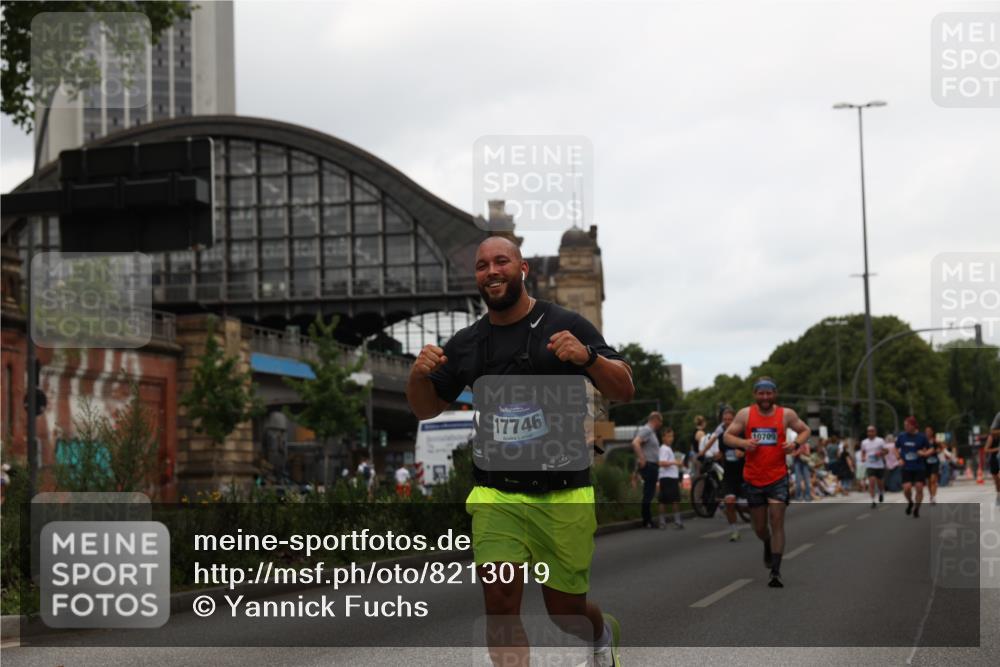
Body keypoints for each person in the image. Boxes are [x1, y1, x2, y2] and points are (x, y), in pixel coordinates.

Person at [405, 236, 633, 667]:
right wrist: (418, 375)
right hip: (497, 493)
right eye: (482, 265)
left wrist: (587, 358)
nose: (491, 271)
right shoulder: (467, 343)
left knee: (566, 613)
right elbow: (425, 408)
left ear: (522, 269)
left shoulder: (564, 323)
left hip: (563, 492)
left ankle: (601, 636)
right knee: (500, 606)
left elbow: (622, 387)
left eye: (501, 261)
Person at [724, 377, 811, 589]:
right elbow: (727, 437)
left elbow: (805, 430)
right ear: (755, 394)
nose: (765, 397)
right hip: (753, 478)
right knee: (760, 527)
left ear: (775, 394)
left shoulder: (786, 414)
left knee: (777, 520)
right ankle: (766, 541)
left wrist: (795, 444)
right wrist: (744, 443)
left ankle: (776, 571)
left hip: (778, 477)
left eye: (769, 393)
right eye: (761, 393)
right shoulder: (745, 414)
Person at [711, 406, 745, 540]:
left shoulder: (742, 434)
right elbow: (723, 453)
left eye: (730, 419)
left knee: (747, 506)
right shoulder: (721, 437)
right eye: (725, 419)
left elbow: (754, 451)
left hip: (744, 474)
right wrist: (719, 455)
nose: (727, 422)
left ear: (735, 420)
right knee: (729, 503)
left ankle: (760, 520)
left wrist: (743, 453)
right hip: (729, 475)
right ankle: (735, 531)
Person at [897, 417, 935, 518]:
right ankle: (910, 502)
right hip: (906, 467)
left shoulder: (921, 437)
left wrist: (925, 453)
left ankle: (917, 508)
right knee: (907, 488)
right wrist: (899, 458)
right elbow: (895, 448)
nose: (905, 427)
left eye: (907, 425)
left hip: (919, 467)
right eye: (904, 425)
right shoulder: (901, 436)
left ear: (913, 426)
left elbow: (931, 448)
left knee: (919, 488)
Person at [632, 411, 663, 529]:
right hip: (649, 465)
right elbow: (635, 443)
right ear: (655, 420)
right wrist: (642, 458)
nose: (661, 424)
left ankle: (647, 519)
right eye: (660, 421)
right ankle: (647, 520)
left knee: (649, 492)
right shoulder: (647, 430)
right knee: (648, 493)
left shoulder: (651, 432)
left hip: (652, 465)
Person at [657, 427, 683, 529]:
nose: (671, 438)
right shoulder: (664, 449)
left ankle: (662, 522)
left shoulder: (665, 449)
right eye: (668, 436)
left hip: (666, 477)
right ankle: (677, 521)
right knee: (674, 500)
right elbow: (661, 462)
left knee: (663, 500)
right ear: (663, 438)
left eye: (672, 436)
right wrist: (675, 462)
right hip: (669, 478)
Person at [860, 426, 887, 508]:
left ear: (875, 432)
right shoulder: (864, 442)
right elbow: (863, 452)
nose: (870, 433)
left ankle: (881, 493)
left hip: (879, 465)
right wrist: (863, 457)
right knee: (871, 482)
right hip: (870, 465)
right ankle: (873, 500)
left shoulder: (880, 440)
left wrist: (880, 453)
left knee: (880, 483)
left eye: (872, 431)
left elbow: (886, 451)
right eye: (869, 431)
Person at [924, 426, 942, 505]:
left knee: (933, 480)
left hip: (935, 462)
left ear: (932, 432)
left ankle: (934, 497)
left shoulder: (936, 441)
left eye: (929, 431)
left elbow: (941, 448)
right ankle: (931, 495)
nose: (928, 433)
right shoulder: (923, 441)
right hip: (926, 462)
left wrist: (937, 450)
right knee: (928, 481)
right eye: (926, 431)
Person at [986, 411, 1000, 507]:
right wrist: (997, 449)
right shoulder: (993, 437)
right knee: (997, 479)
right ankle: (998, 495)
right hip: (995, 457)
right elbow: (986, 449)